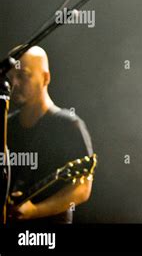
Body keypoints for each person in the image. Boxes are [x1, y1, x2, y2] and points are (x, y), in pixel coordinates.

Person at [6, 46, 94, 223]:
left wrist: (35, 211)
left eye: (23, 75)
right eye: (11, 77)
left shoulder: (69, 125)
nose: (14, 83)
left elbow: (82, 188)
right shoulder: (7, 125)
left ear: (45, 78)